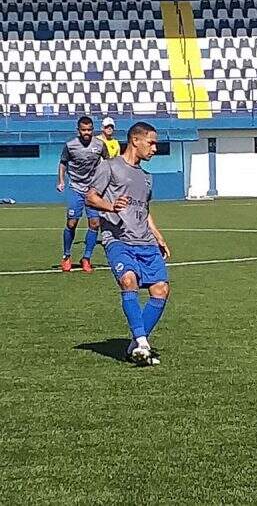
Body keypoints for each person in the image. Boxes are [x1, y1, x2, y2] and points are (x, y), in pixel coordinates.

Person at [86, 122, 170, 367]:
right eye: (151, 142)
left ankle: (136, 344)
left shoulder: (146, 177)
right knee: (128, 280)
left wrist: (158, 235)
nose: (155, 148)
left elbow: (144, 209)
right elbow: (90, 196)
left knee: (161, 290)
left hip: (145, 240)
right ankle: (143, 342)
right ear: (136, 140)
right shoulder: (110, 167)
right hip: (118, 238)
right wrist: (110, 207)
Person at [57, 116, 108, 272]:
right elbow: (63, 163)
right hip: (76, 188)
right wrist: (61, 181)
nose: (87, 132)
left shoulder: (100, 145)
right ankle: (66, 256)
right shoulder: (70, 145)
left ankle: (86, 258)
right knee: (72, 223)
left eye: (89, 130)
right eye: (84, 130)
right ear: (78, 130)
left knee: (95, 223)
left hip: (93, 190)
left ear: (93, 129)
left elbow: (108, 162)